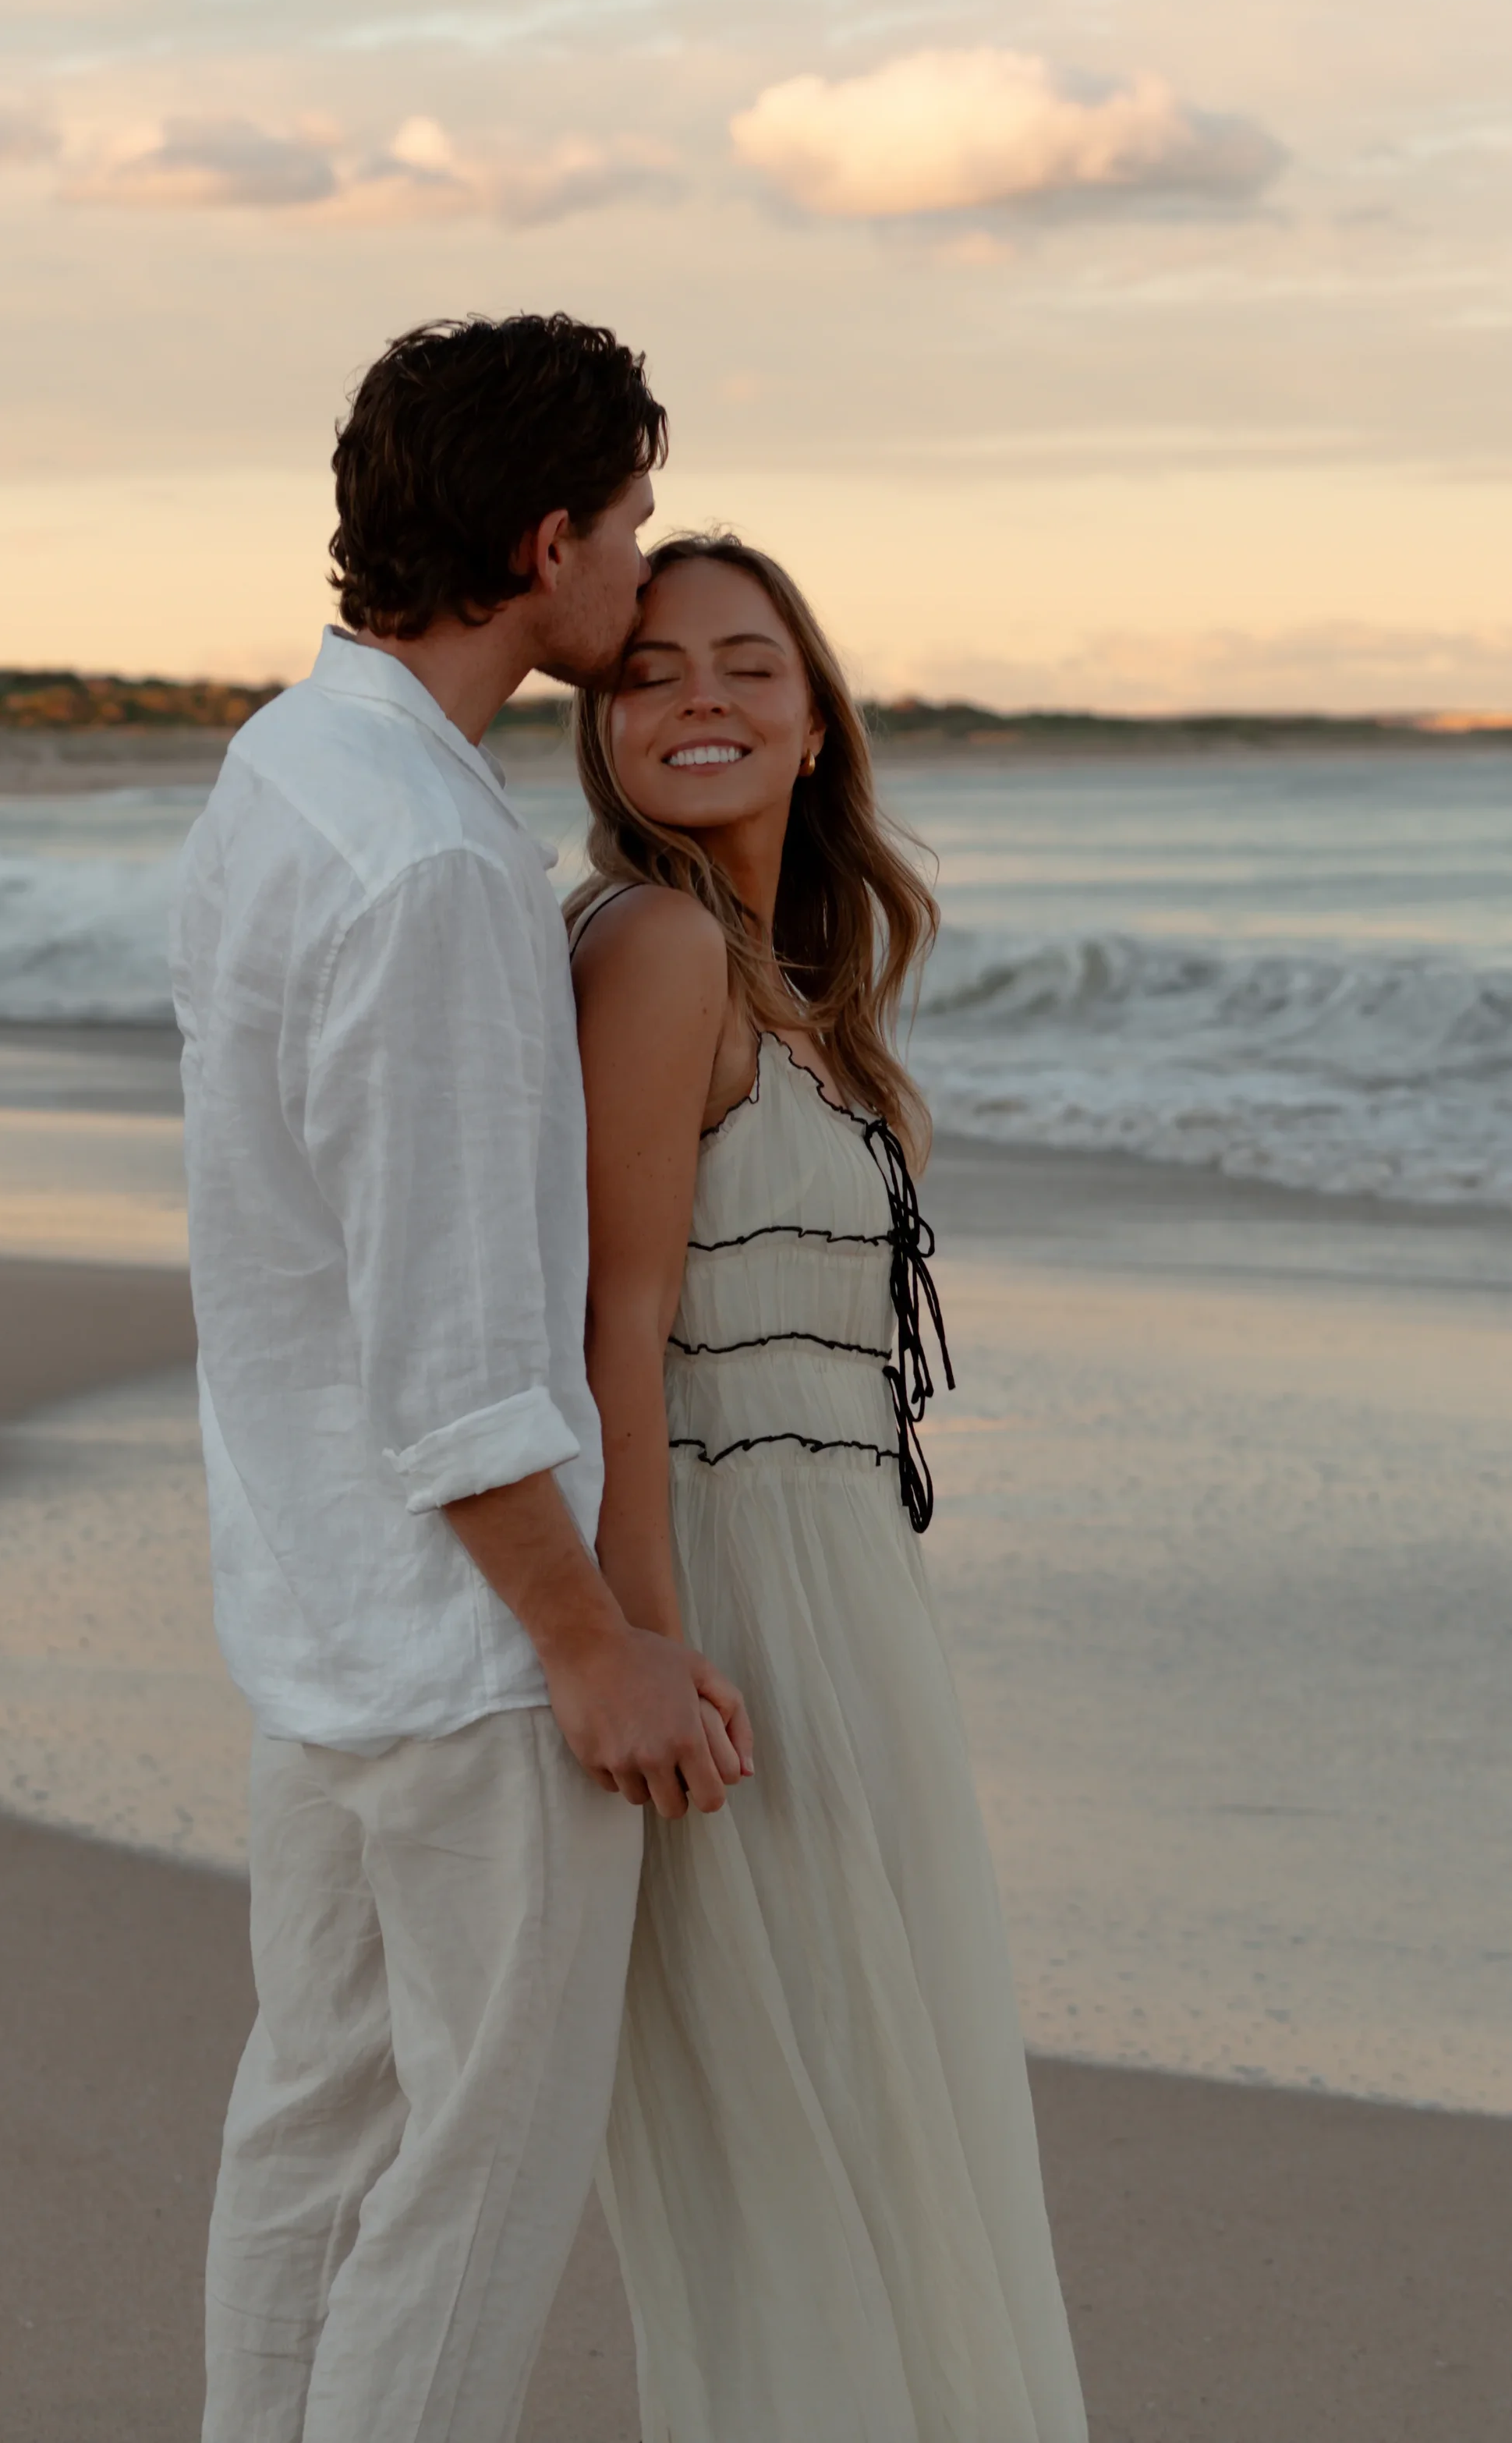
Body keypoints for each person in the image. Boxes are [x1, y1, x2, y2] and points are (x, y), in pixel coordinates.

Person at [169, 317, 752, 2443]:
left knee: (313, 2131)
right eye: (624, 527)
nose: (637, 570)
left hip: (320, 1602)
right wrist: (592, 1641)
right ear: (543, 538)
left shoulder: (286, 767)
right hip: (458, 1641)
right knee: (471, 2179)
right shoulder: (425, 864)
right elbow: (446, 1339)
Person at [568, 532, 1089, 2442]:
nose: (698, 697)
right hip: (729, 1612)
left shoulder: (799, 994)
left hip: (849, 1596)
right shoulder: (651, 946)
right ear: (602, 733)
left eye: (746, 667)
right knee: (796, 2150)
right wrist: (639, 1642)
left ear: (812, 729)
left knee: (895, 2120)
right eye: (649, 671)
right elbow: (610, 1328)